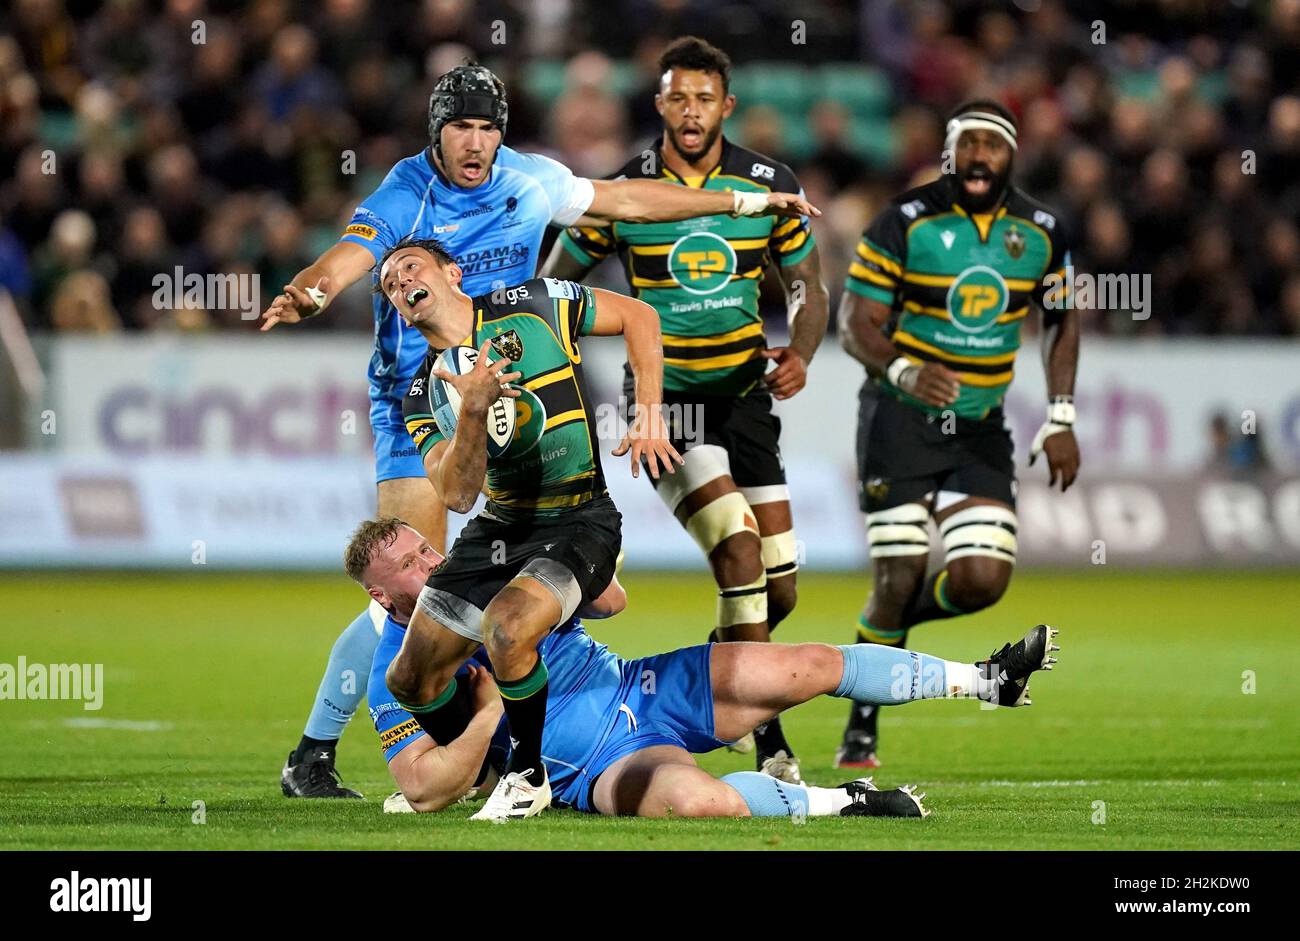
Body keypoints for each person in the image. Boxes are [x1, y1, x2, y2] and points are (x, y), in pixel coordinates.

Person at [266, 64, 819, 798]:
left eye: (487, 127)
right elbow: (348, 258)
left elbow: (627, 200)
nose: (475, 142)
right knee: (410, 588)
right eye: (460, 127)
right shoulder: (406, 192)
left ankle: (519, 743)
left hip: (521, 394)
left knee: (596, 594)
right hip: (422, 401)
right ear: (438, 132)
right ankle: (320, 750)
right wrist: (309, 290)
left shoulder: (529, 179)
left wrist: (743, 197)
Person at [543, 37, 829, 784]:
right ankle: (768, 742)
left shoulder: (769, 185)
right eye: (678, 97)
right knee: (738, 549)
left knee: (779, 588)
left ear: (725, 106)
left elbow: (808, 286)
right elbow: (555, 292)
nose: (691, 111)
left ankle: (708, 683)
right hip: (668, 407)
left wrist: (800, 348)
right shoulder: (625, 192)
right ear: (660, 104)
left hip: (745, 401)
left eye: (705, 98)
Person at [351, 518, 1060, 819]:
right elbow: (424, 787)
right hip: (585, 765)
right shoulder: (398, 666)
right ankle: (851, 801)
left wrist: (564, 549)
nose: (432, 563)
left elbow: (611, 600)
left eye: (425, 548)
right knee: (698, 804)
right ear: (382, 596)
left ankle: (990, 680)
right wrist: (501, 705)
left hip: (639, 686)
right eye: (409, 566)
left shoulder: (486, 568)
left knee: (808, 663)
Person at [381, 236, 679, 821]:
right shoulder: (419, 393)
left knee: (509, 631)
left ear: (452, 272)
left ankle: (528, 775)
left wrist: (648, 414)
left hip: (579, 515)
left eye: (409, 268)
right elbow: (459, 494)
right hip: (501, 524)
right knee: (411, 677)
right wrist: (471, 408)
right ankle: (483, 770)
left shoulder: (536, 302)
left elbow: (639, 316)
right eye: (389, 284)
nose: (400, 284)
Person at [835, 100, 1080, 769]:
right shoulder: (904, 221)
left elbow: (1062, 319)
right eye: (966, 144)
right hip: (897, 417)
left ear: (1011, 156)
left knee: (981, 580)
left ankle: (883, 630)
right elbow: (854, 321)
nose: (978, 157)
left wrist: (1061, 413)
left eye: (991, 147)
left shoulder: (1042, 230)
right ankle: (862, 721)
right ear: (948, 153)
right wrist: (907, 369)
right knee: (899, 569)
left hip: (979, 425)